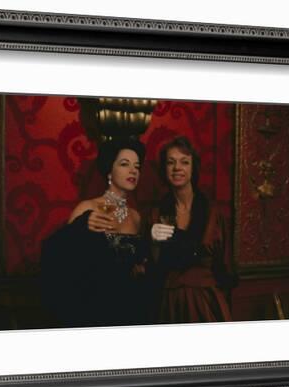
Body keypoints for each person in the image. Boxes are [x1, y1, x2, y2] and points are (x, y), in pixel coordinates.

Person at [40, 137, 155, 328]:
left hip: (131, 308)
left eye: (137, 166)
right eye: (124, 164)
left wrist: (141, 267)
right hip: (94, 309)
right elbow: (58, 256)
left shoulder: (136, 217)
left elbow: (139, 263)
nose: (133, 170)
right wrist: (81, 226)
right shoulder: (88, 208)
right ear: (110, 170)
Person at [149, 136, 235, 323]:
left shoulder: (213, 212)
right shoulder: (157, 213)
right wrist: (153, 241)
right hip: (169, 302)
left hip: (206, 301)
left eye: (184, 162)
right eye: (170, 162)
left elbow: (225, 266)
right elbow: (153, 266)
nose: (177, 168)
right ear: (165, 169)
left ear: (193, 167)